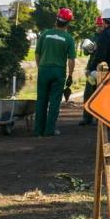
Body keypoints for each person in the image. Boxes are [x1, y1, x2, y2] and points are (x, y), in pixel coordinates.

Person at [34, 7, 76, 137]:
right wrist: (70, 75)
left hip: (44, 69)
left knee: (41, 100)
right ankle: (49, 130)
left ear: (56, 19)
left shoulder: (45, 34)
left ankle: (38, 130)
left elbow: (37, 53)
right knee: (55, 101)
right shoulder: (68, 38)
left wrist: (40, 67)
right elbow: (71, 60)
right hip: (58, 72)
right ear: (68, 23)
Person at [78, 16, 104, 126]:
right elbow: (86, 53)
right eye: (97, 25)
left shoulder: (107, 37)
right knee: (88, 93)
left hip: (103, 68)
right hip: (91, 68)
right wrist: (87, 48)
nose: (99, 28)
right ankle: (87, 117)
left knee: (102, 94)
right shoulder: (93, 37)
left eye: (101, 25)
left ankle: (100, 119)